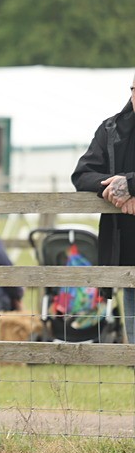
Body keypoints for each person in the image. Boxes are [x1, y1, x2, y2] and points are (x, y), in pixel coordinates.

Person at [72, 72, 135, 342]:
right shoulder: (111, 129)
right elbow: (83, 174)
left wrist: (130, 183)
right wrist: (115, 189)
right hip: (129, 249)